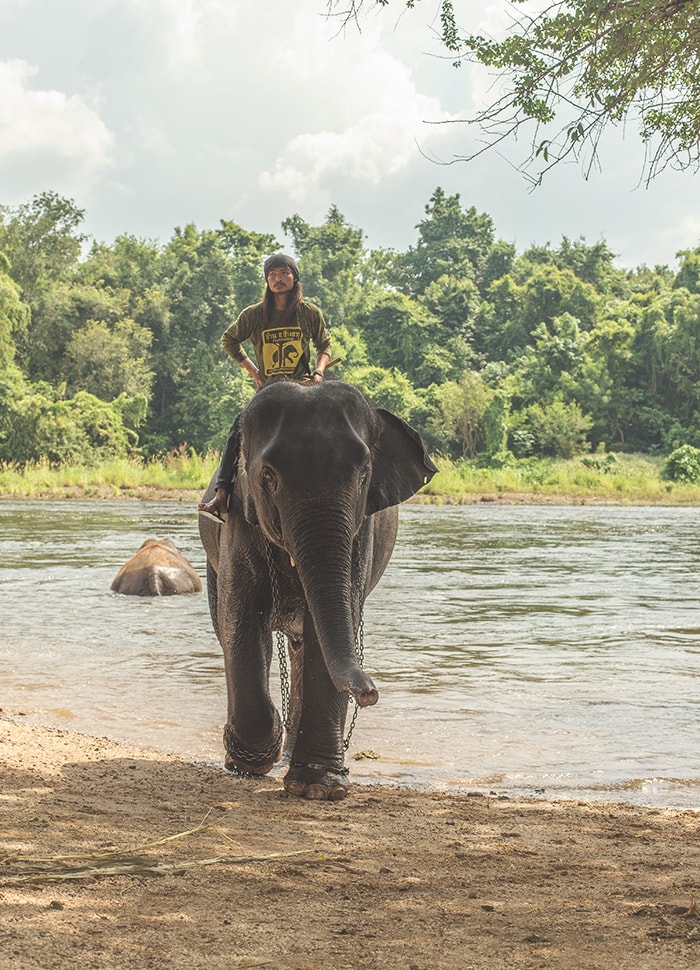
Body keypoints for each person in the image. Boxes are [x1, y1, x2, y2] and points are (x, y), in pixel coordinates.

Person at [198, 253, 332, 523]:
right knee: (238, 429)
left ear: (295, 278)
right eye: (272, 274)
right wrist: (254, 372)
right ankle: (221, 495)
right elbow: (229, 340)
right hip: (269, 392)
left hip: (302, 390)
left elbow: (324, 345)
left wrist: (319, 373)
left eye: (283, 273)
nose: (277, 279)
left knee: (333, 430)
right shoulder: (254, 315)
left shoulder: (309, 313)